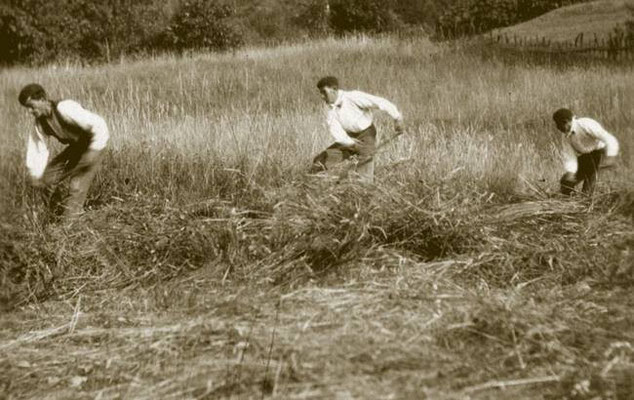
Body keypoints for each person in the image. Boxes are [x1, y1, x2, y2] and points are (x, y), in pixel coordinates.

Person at [18, 83, 109, 219]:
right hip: (76, 148)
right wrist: (35, 173)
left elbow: (99, 125)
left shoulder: (65, 108)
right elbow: (38, 148)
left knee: (76, 185)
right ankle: (57, 214)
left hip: (95, 144)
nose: (30, 112)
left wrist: (94, 150)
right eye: (27, 108)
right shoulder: (40, 124)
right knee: (46, 179)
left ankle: (70, 222)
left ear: (42, 99)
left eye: (31, 107)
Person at [311, 76, 404, 183]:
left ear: (334, 89)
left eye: (324, 92)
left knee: (364, 178)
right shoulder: (330, 110)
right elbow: (337, 132)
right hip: (348, 139)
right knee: (319, 161)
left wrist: (397, 118)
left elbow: (379, 102)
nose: (322, 96)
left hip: (366, 136)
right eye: (320, 93)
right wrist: (351, 143)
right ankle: (315, 185)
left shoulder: (353, 97)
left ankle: (364, 188)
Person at [552, 108, 619, 195]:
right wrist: (570, 172)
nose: (558, 128)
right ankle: (569, 203)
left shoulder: (585, 124)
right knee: (566, 182)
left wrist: (611, 156)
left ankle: (587, 199)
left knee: (587, 190)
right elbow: (570, 156)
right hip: (586, 157)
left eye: (558, 125)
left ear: (565, 121)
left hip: (600, 153)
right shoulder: (566, 137)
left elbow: (608, 138)